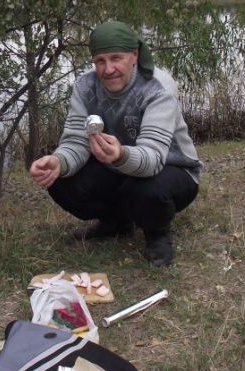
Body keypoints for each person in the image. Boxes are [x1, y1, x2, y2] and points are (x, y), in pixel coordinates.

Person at [29, 20, 201, 267]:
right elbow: (76, 141)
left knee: (146, 189)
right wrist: (59, 161)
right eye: (100, 61)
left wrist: (121, 155)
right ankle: (116, 223)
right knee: (61, 179)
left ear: (134, 55)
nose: (108, 69)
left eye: (116, 58)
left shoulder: (158, 87)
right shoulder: (85, 87)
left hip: (172, 168)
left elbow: (153, 158)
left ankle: (157, 234)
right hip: (119, 166)